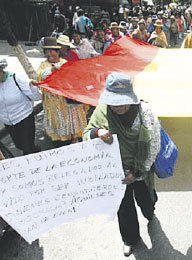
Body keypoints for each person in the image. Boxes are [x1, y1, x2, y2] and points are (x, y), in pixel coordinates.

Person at [83, 73, 160, 257]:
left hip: (140, 170)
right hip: (116, 173)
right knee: (123, 209)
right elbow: (86, 135)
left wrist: (137, 172)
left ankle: (150, 213)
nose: (117, 107)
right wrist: (97, 132)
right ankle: (129, 239)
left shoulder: (145, 112)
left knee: (146, 201)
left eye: (122, 102)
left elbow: (154, 146)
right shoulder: (102, 111)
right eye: (113, 103)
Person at [37, 37, 89, 146]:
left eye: (51, 51)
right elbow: (41, 77)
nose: (49, 54)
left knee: (71, 119)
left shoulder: (65, 63)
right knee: (58, 121)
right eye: (47, 52)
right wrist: (52, 70)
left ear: (57, 52)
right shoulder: (43, 65)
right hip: (53, 101)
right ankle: (59, 141)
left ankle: (74, 138)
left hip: (66, 99)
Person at [0, 59, 41, 155]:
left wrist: (33, 88)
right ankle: (34, 149)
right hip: (8, 122)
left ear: (1, 71)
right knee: (19, 145)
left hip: (24, 117)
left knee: (27, 147)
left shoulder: (16, 78)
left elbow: (37, 97)